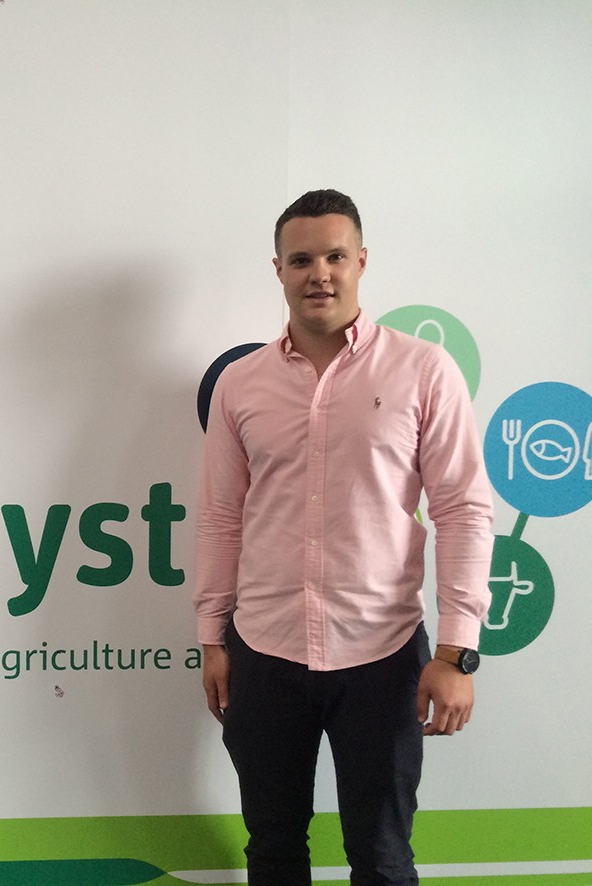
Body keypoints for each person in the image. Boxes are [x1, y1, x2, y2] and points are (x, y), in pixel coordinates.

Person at [193, 189, 494, 885]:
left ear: (361, 261)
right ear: (278, 270)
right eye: (301, 260)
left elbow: (462, 510)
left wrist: (456, 652)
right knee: (272, 852)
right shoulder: (240, 384)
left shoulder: (423, 370)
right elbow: (220, 516)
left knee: (382, 858)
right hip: (263, 651)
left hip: (382, 655)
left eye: (334, 256)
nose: (318, 274)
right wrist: (211, 637)